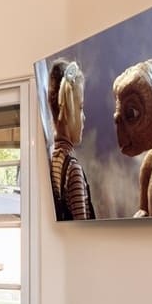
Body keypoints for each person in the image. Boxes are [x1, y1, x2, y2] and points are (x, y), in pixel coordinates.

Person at [48, 59, 95, 220]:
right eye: (80, 108)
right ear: (68, 108)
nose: (84, 117)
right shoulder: (73, 170)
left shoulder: (53, 158)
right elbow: (83, 232)